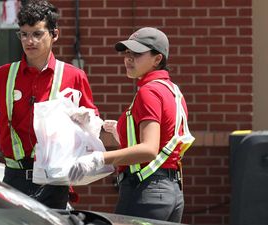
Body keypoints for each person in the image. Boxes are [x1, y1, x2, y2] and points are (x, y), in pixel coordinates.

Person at [0, 0, 98, 209]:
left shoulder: (74, 76)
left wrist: (86, 118)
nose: (29, 41)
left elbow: (92, 124)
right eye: (24, 34)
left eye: (37, 34)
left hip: (55, 178)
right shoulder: (1, 76)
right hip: (14, 176)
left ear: (54, 34)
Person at [68, 27, 194, 222]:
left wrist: (99, 158)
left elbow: (149, 149)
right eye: (127, 53)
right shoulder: (172, 90)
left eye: (137, 54)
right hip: (171, 192)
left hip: (146, 190)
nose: (128, 58)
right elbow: (161, 140)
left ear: (157, 59)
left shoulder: (148, 92)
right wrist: (111, 129)